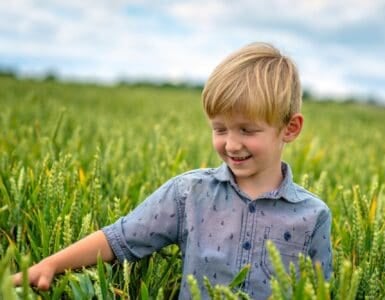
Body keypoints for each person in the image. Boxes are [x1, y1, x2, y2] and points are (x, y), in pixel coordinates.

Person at [13, 42, 332, 299]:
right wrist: (50, 264)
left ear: (290, 128)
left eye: (247, 131)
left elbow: (321, 293)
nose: (231, 145)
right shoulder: (189, 194)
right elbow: (119, 239)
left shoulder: (312, 217)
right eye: (220, 129)